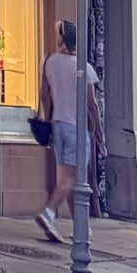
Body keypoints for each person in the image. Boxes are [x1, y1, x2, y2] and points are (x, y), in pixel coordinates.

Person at [37, 17, 101, 243]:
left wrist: (48, 119)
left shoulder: (49, 62)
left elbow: (45, 95)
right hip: (76, 127)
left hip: (58, 125)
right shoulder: (84, 67)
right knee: (72, 178)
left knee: (68, 178)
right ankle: (49, 213)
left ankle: (80, 226)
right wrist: (99, 132)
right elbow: (91, 104)